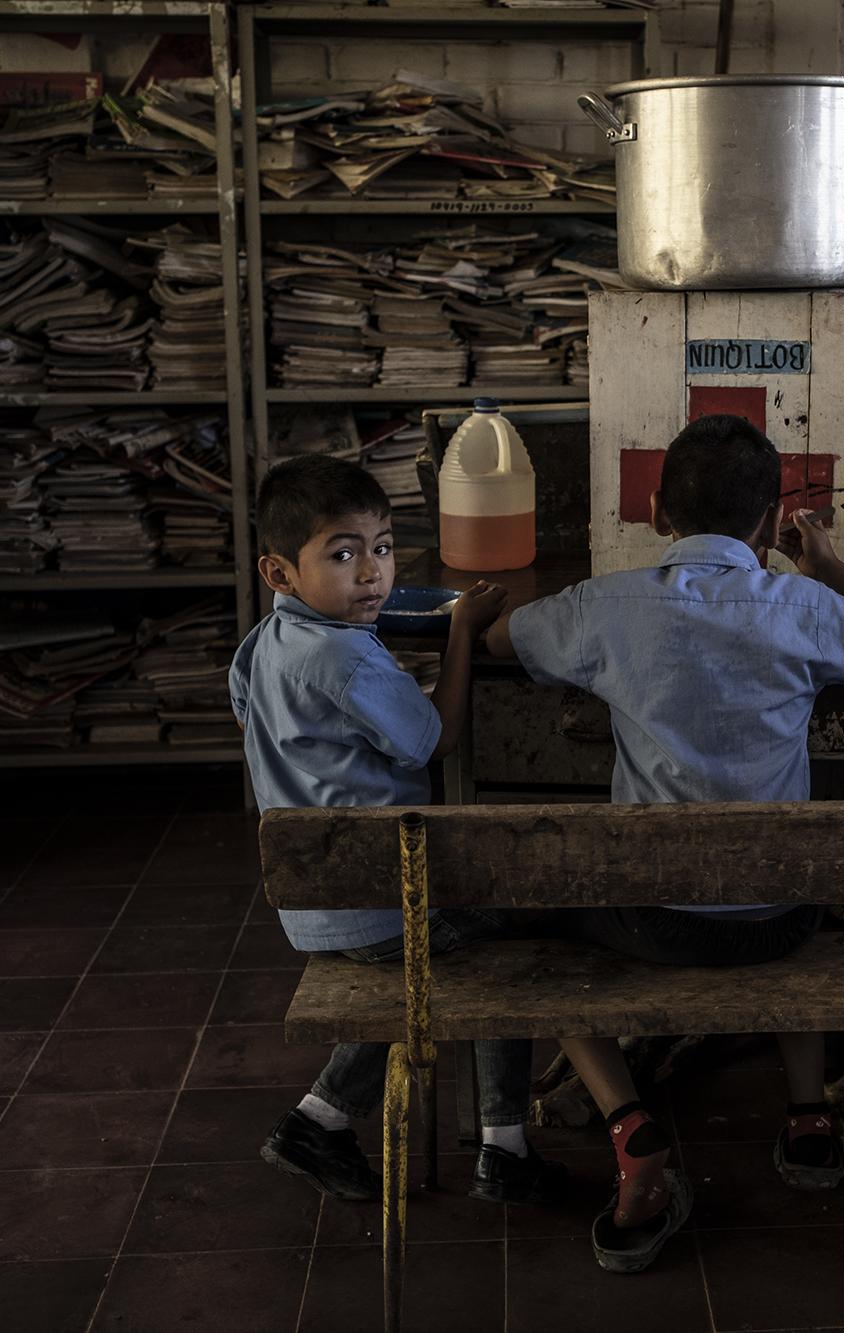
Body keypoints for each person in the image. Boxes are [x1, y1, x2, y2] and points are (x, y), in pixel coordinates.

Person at [485, 414, 844, 1271]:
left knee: (532, 937)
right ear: (771, 523)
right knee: (790, 865)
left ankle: (628, 1121)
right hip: (781, 920)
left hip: (650, 920)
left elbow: (499, 638)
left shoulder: (606, 605)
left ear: (658, 512)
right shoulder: (803, 605)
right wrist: (836, 570)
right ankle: (808, 1115)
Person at [229, 454, 563, 1209]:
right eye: (342, 554)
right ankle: (503, 1145)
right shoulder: (345, 657)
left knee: (436, 967)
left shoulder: (264, 645)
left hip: (315, 904)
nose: (372, 572)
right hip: (380, 906)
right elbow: (435, 737)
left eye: (381, 546)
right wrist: (461, 630)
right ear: (280, 572)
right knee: (505, 944)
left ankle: (320, 1118)